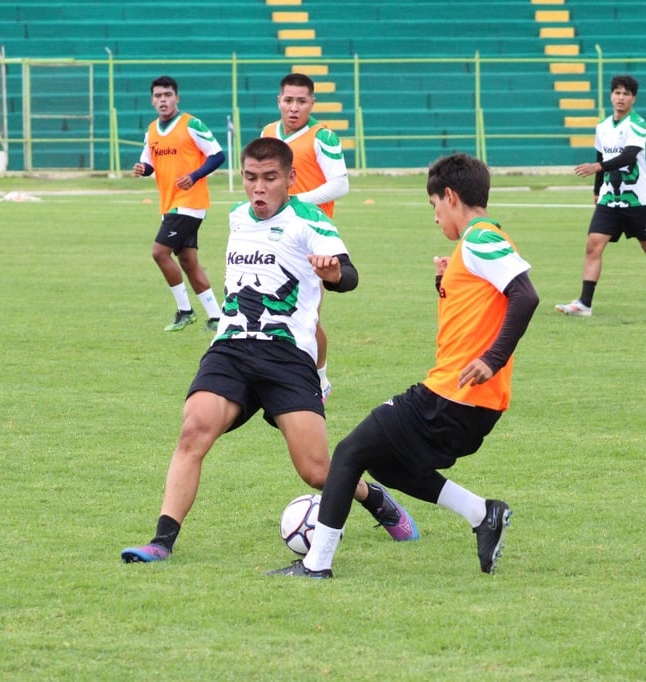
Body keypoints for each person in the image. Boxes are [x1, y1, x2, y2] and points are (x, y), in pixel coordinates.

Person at [121, 137, 417, 564]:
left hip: (287, 355)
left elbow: (349, 275)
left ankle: (374, 499)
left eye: (270, 179)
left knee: (316, 471)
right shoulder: (238, 216)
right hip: (232, 348)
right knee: (193, 432)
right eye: (251, 178)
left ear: (290, 179)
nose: (258, 188)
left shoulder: (309, 220)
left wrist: (333, 274)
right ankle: (161, 541)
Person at [268, 153, 540, 579]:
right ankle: (482, 513)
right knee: (387, 463)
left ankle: (316, 564)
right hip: (470, 401)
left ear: (450, 197)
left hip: (453, 395)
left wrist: (492, 359)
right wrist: (447, 282)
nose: (435, 218)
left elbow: (526, 295)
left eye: (434, 206)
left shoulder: (480, 238)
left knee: (348, 452)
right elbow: (487, 303)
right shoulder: (475, 246)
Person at [555, 74, 646, 318]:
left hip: (637, 200)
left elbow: (627, 157)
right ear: (611, 95)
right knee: (593, 244)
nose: (621, 97)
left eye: (626, 94)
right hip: (609, 199)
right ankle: (585, 303)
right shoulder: (602, 127)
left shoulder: (637, 124)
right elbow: (600, 158)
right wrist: (596, 191)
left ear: (633, 98)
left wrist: (598, 169)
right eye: (617, 92)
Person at [261, 72, 350, 401]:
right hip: (276, 236)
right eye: (288, 100)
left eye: (301, 101)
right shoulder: (268, 133)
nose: (294, 107)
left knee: (307, 314)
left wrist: (296, 200)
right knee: (272, 306)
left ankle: (321, 377)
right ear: (279, 101)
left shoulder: (322, 137)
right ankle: (279, 370)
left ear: (312, 103)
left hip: (313, 236)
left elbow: (340, 183)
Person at [133, 75, 225, 332]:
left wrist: (194, 176)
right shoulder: (152, 130)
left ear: (177, 98)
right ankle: (216, 317)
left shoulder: (191, 124)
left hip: (189, 203)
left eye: (168, 95)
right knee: (187, 260)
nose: (163, 100)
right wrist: (143, 169)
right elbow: (150, 164)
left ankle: (185, 310)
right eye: (158, 96)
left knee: (159, 252)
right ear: (152, 100)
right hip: (169, 204)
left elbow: (217, 155)